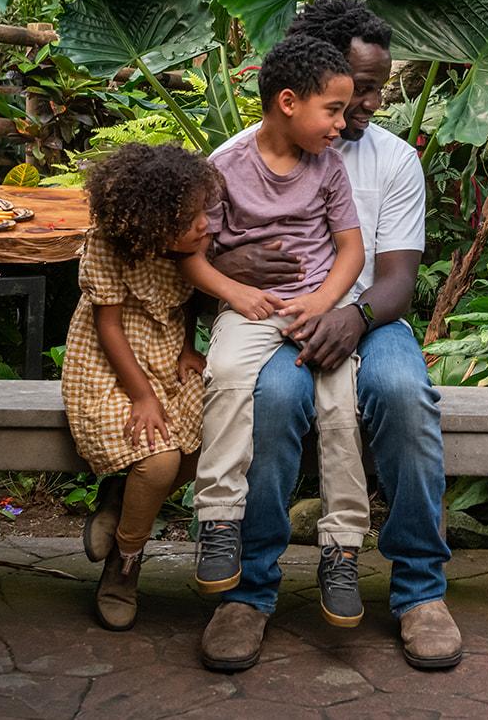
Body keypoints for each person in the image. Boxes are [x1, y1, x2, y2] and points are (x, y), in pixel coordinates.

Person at [200, 0, 460, 674]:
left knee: (404, 392)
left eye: (374, 88)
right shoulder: (237, 158)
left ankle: (420, 592)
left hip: (371, 319)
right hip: (284, 319)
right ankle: (246, 594)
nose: (369, 103)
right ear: (312, 81)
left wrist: (353, 317)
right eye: (357, 87)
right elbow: (194, 249)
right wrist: (232, 265)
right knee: (276, 398)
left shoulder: (394, 160)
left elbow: (399, 276)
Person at [177, 34, 372, 629]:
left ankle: (341, 546)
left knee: (340, 405)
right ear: (288, 102)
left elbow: (351, 251)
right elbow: (192, 255)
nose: (342, 124)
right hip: (250, 307)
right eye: (333, 109)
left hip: (314, 307)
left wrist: (322, 303)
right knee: (230, 374)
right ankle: (218, 521)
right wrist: (236, 294)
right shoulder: (224, 169)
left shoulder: (329, 169)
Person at [62, 143, 215, 632]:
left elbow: (188, 299)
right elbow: (108, 327)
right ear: (151, 222)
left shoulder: (194, 243)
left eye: (204, 213)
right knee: (159, 456)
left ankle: (117, 501)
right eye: (190, 219)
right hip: (110, 363)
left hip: (166, 349)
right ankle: (125, 566)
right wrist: (143, 396)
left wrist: (190, 347)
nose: (204, 225)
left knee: (210, 440)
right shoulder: (110, 244)